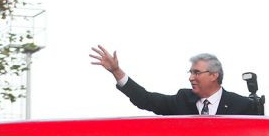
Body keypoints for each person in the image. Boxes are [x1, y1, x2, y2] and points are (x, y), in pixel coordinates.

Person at [90, 46, 260, 116]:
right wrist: (116, 71)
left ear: (214, 75)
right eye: (190, 72)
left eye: (196, 72)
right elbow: (145, 99)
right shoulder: (182, 99)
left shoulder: (241, 105)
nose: (191, 77)